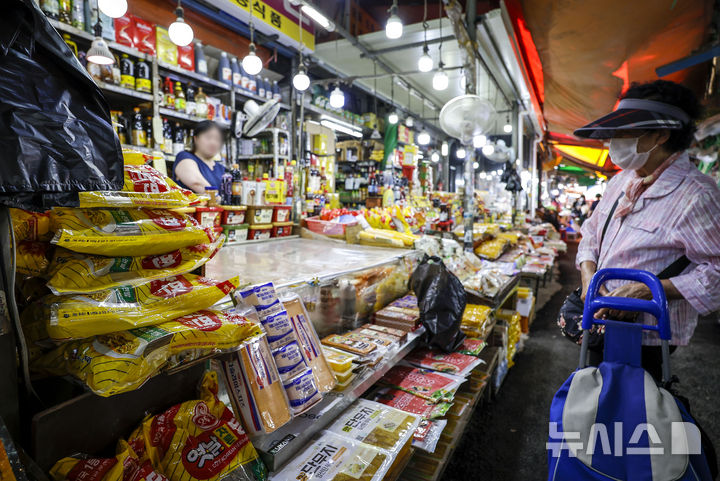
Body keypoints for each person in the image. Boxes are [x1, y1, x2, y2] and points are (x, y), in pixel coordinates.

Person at [574, 79, 720, 380]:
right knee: (594, 403)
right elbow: (591, 232)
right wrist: (589, 277)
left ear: (661, 135)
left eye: (626, 132)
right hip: (600, 322)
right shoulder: (620, 181)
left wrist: (648, 290)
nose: (615, 140)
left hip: (647, 336)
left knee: (635, 413)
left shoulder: (697, 195)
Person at [172, 120, 225, 193]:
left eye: (217, 139)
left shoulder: (222, 169)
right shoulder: (184, 157)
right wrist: (216, 198)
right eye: (208, 137)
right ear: (196, 138)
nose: (213, 142)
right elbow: (196, 182)